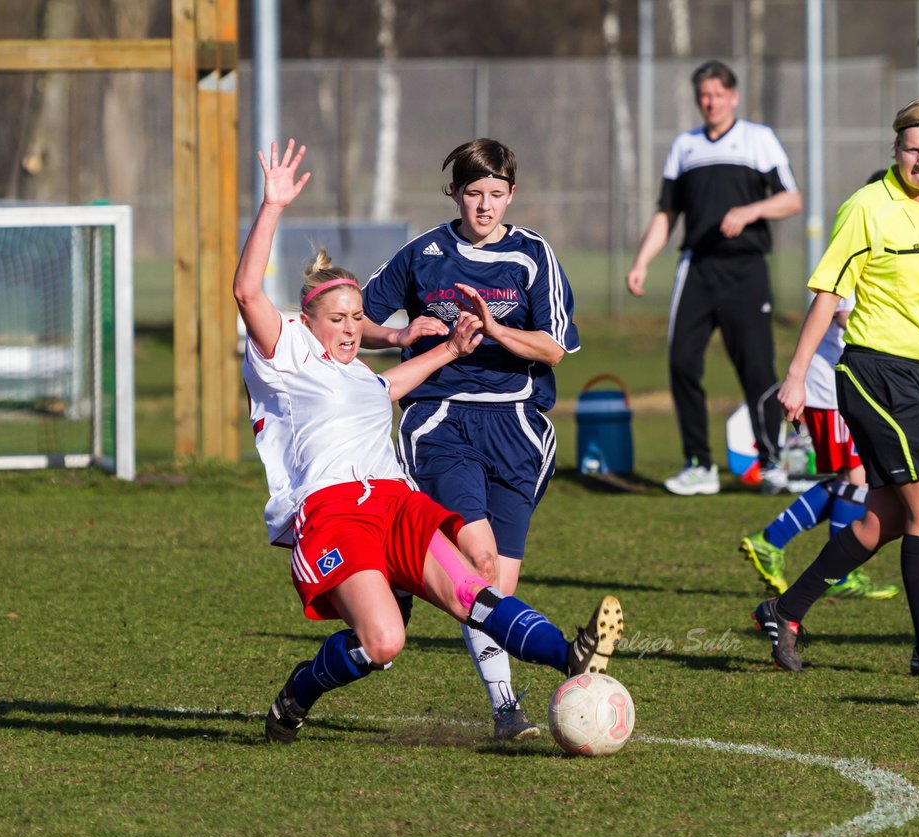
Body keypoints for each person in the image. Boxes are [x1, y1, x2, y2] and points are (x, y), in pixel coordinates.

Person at [237, 139, 624, 743]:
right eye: (337, 319)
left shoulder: (359, 377)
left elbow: (391, 385)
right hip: (334, 513)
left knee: (477, 590)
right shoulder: (285, 356)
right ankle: (298, 694)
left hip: (395, 501)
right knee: (384, 643)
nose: (348, 329)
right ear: (306, 322)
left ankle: (568, 657)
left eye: (353, 318)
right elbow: (247, 294)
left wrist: (447, 346)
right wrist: (273, 207)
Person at [753, 99, 919, 676]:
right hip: (872, 372)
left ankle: (785, 610)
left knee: (888, 517)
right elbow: (827, 295)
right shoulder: (865, 208)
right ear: (896, 149)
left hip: (917, 372)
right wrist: (797, 374)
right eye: (911, 149)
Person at [359, 138, 579, 741]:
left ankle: (406, 579)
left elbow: (554, 347)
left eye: (497, 195)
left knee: (500, 587)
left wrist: (493, 327)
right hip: (442, 420)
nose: (485, 206)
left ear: (512, 194)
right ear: (454, 192)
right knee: (479, 565)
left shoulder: (533, 256)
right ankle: (508, 710)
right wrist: (400, 337)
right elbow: (362, 318)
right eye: (474, 193)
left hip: (518, 426)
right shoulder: (423, 254)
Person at [625, 60, 802, 497]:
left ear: (733, 96)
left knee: (756, 367)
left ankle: (772, 462)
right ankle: (698, 465)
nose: (711, 102)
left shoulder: (758, 140)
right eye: (704, 95)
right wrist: (643, 260)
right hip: (697, 269)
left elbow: (791, 199)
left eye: (718, 94)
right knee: (682, 362)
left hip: (746, 269)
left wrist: (751, 211)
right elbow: (667, 213)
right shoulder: (684, 146)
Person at [739, 293, 898, 601]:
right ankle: (840, 572)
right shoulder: (851, 253)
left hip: (845, 385)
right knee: (857, 477)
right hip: (833, 390)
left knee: (850, 478)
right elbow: (843, 316)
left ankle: (771, 540)